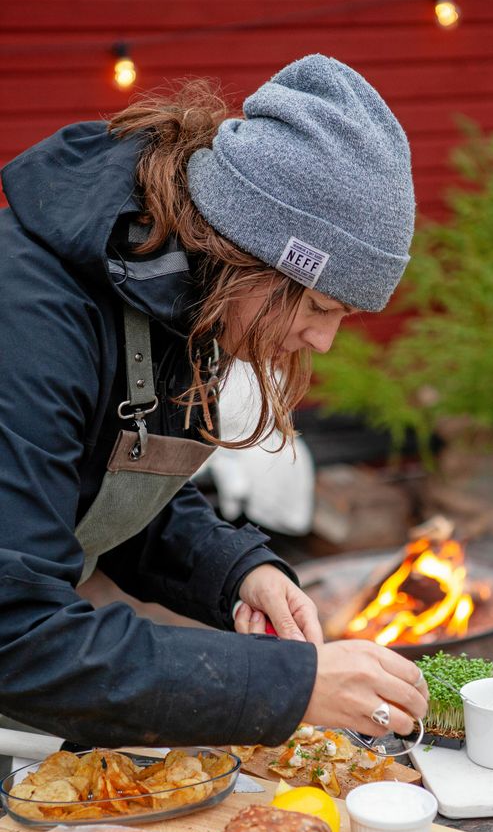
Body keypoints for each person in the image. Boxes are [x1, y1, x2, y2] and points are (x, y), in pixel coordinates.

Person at [0, 54, 427, 749]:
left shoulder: (176, 292)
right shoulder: (28, 322)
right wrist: (288, 687)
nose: (320, 341)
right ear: (248, 249)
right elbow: (15, 630)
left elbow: (101, 484)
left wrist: (236, 571)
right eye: (319, 306)